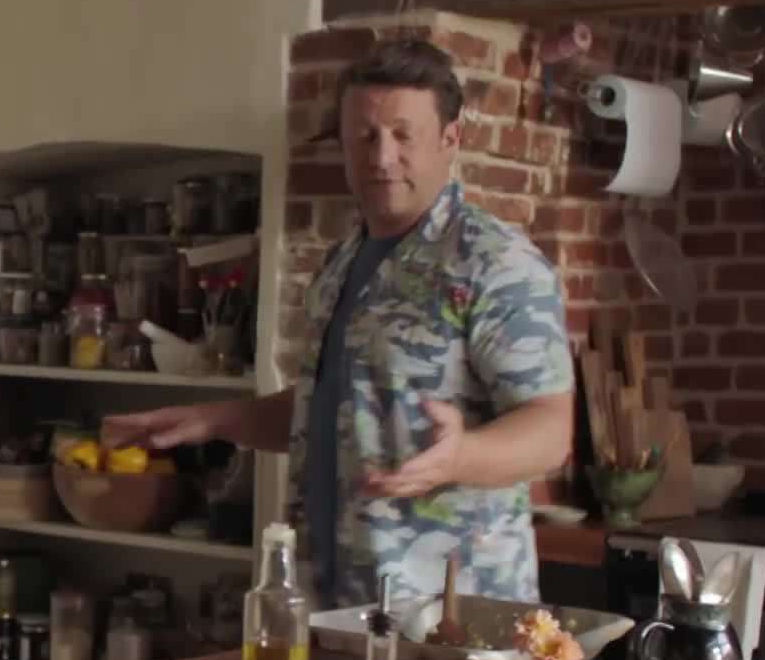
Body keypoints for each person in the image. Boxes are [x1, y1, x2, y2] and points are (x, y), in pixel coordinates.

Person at [105, 38, 573, 608]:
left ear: (450, 139)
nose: (381, 157)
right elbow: (329, 406)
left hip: (452, 616)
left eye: (404, 134)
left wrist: (460, 457)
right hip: (336, 606)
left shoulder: (495, 262)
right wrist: (213, 419)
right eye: (365, 136)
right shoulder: (341, 263)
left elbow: (550, 431)